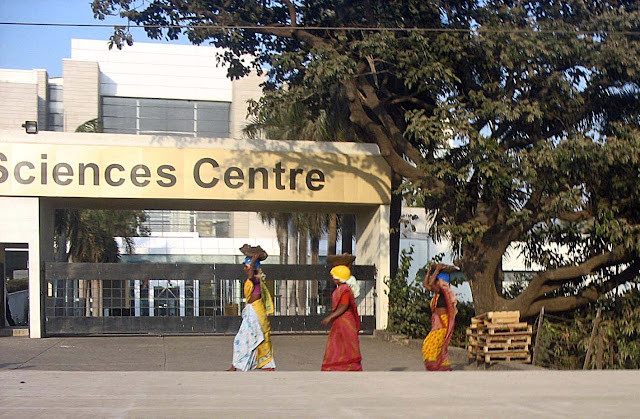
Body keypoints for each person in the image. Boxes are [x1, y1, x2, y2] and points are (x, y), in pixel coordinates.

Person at [228, 254, 276, 371]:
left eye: (247, 267)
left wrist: (253, 261)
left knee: (254, 338)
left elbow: (251, 277)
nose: (245, 269)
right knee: (248, 338)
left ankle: (266, 365)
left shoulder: (256, 280)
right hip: (252, 310)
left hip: (256, 312)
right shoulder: (253, 280)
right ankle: (237, 364)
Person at [321, 264, 362, 371]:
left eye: (334, 276)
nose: (333, 278)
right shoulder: (342, 289)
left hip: (345, 321)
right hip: (341, 321)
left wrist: (330, 317)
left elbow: (344, 306)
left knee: (345, 344)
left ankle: (345, 366)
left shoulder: (344, 290)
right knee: (339, 344)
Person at [422, 262, 458, 371]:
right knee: (435, 344)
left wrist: (437, 270)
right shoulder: (439, 293)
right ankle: (442, 365)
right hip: (439, 322)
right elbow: (426, 285)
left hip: (443, 322)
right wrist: (430, 271)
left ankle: (436, 364)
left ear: (441, 282)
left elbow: (431, 285)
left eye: (437, 280)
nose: (436, 282)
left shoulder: (443, 290)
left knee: (431, 343)